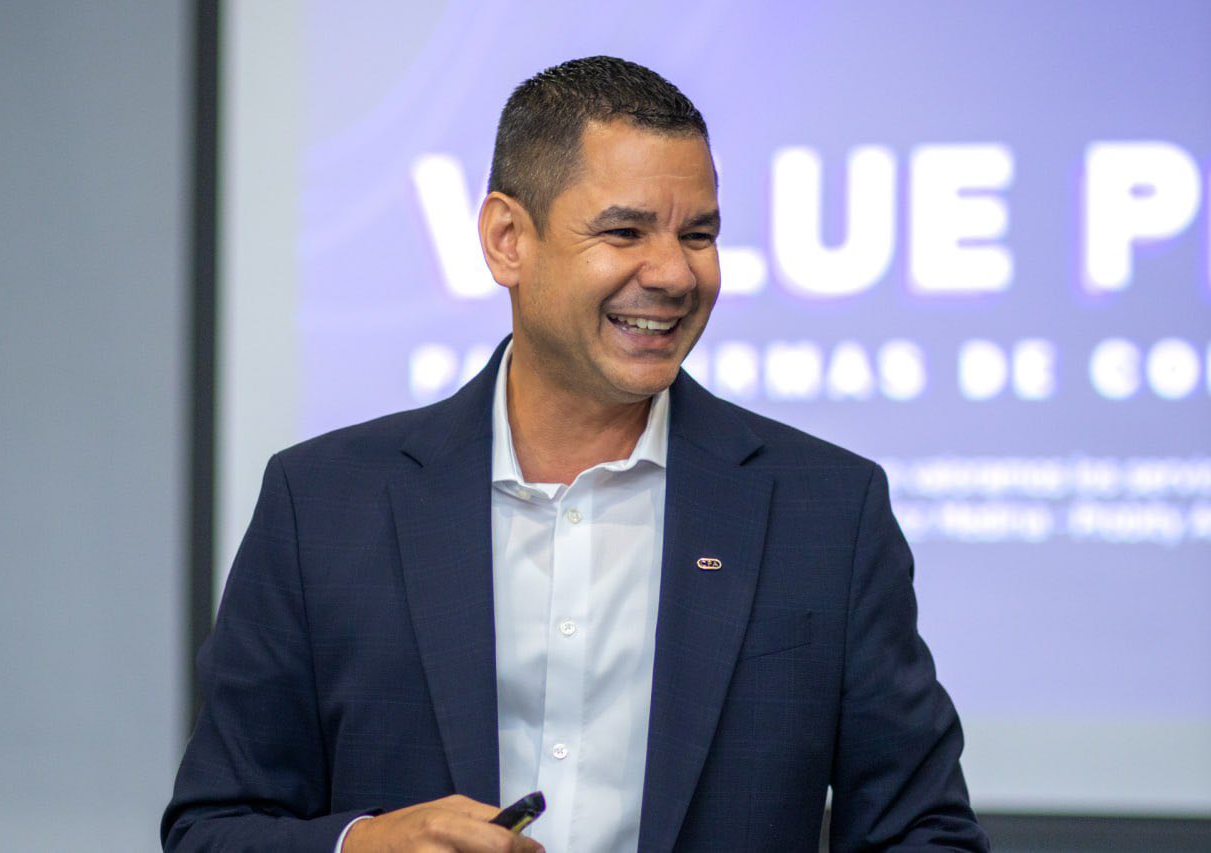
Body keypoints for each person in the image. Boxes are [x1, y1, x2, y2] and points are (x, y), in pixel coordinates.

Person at [163, 56, 989, 852]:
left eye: (698, 234)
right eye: (625, 231)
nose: (674, 274)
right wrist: (364, 843)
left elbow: (924, 832)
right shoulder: (323, 505)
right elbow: (212, 827)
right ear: (506, 239)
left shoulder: (827, 512)